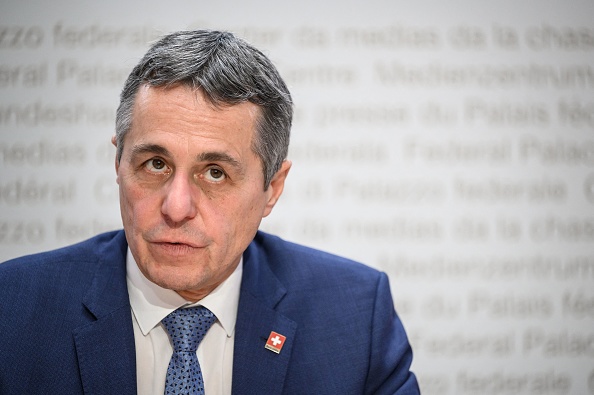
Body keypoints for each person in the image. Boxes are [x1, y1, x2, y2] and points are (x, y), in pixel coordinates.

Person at [0, 30, 420, 394]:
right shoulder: (13, 310)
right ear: (118, 165)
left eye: (215, 173)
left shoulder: (354, 316)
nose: (176, 208)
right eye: (156, 164)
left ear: (271, 189)